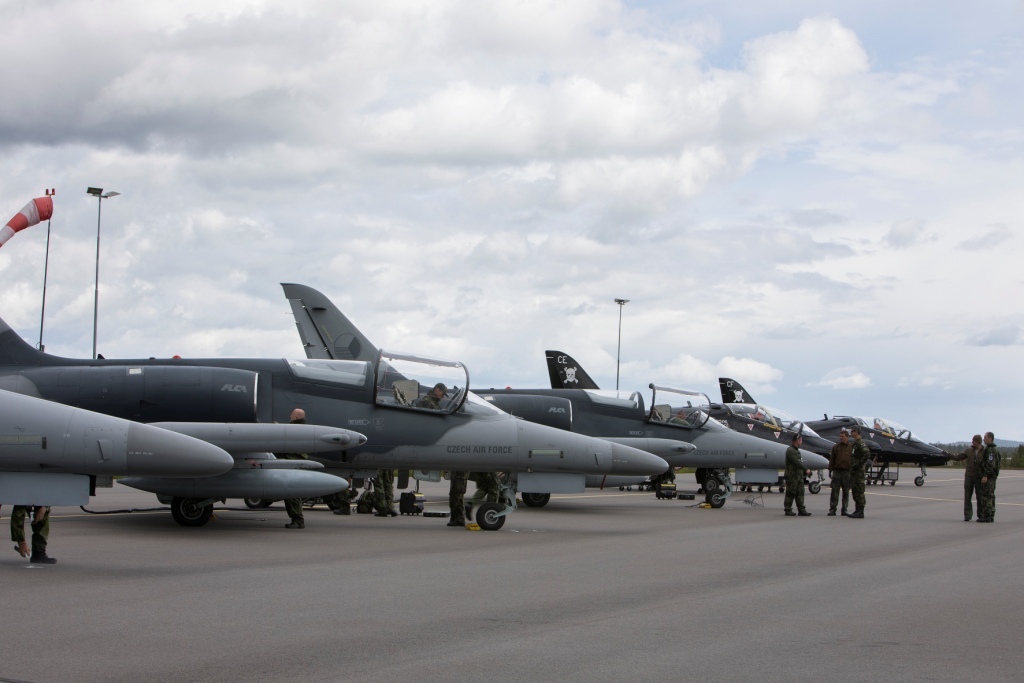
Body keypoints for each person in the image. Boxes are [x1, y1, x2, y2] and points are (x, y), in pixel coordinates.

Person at [275, 408, 310, 529]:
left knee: (292, 494)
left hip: (292, 466)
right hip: (297, 465)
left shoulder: (293, 430)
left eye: (292, 414)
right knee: (294, 494)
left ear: (295, 417)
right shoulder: (304, 430)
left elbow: (286, 448)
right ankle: (297, 520)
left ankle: (298, 520)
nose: (290, 415)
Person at [948, 434, 983, 521]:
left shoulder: (984, 451)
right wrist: (949, 455)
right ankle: (967, 515)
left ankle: (981, 515)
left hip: (979, 476)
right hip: (969, 476)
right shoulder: (969, 450)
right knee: (967, 496)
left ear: (978, 441)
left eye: (973, 440)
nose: (972, 442)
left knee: (980, 496)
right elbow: (959, 457)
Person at [848, 426, 873, 519]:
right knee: (855, 491)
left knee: (859, 490)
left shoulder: (860, 443)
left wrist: (859, 464)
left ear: (857, 432)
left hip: (858, 471)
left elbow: (866, 454)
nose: (851, 432)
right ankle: (857, 510)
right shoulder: (855, 443)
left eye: (853, 431)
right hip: (854, 471)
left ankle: (860, 511)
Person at [783, 434, 811, 516]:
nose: (801, 442)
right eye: (801, 440)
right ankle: (788, 509)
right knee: (791, 492)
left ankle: (801, 509)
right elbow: (796, 462)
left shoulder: (797, 451)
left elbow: (799, 463)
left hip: (798, 476)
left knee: (800, 492)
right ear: (797, 440)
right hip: (792, 476)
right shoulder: (790, 450)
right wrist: (806, 469)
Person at [828, 429, 853, 516]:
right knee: (835, 491)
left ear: (847, 437)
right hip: (837, 471)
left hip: (847, 472)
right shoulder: (836, 447)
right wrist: (830, 470)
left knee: (846, 491)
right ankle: (832, 509)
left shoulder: (851, 447)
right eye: (840, 436)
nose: (840, 438)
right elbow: (832, 459)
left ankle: (844, 509)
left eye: (842, 436)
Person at [978, 432, 1000, 523]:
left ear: (990, 438)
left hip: (989, 476)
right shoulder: (991, 449)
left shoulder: (991, 450)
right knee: (990, 495)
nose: (984, 439)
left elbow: (990, 464)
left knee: (987, 495)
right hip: (991, 476)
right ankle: (990, 515)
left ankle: (987, 515)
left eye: (985, 438)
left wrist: (985, 475)